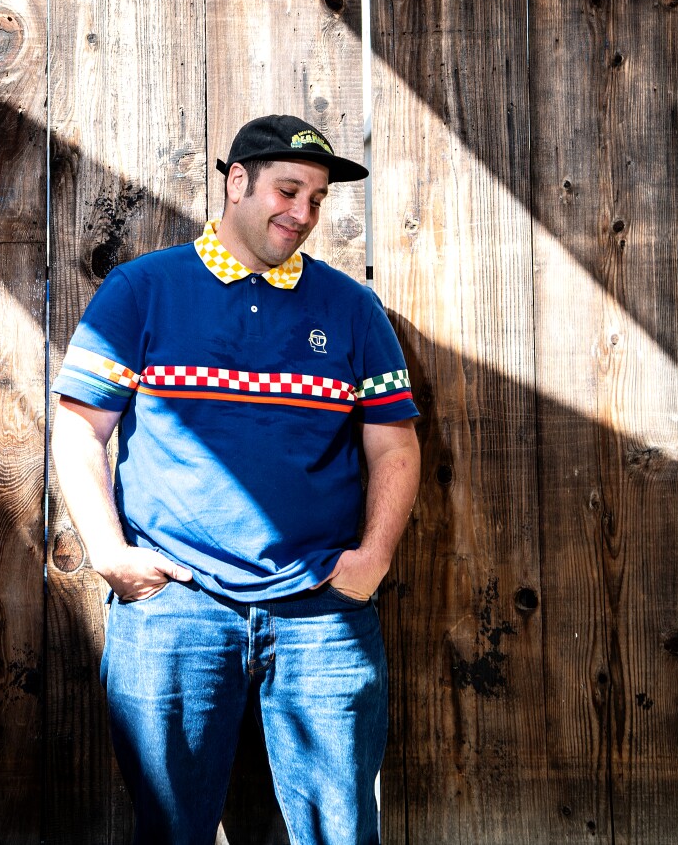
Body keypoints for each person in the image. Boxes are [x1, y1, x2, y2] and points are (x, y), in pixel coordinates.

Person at [51, 114, 420, 845]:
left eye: (317, 200)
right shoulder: (143, 291)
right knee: (172, 829)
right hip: (173, 607)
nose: (304, 213)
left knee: (343, 830)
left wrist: (371, 561)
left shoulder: (352, 309)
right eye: (289, 190)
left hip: (322, 610)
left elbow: (395, 446)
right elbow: (79, 428)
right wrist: (109, 552)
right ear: (238, 181)